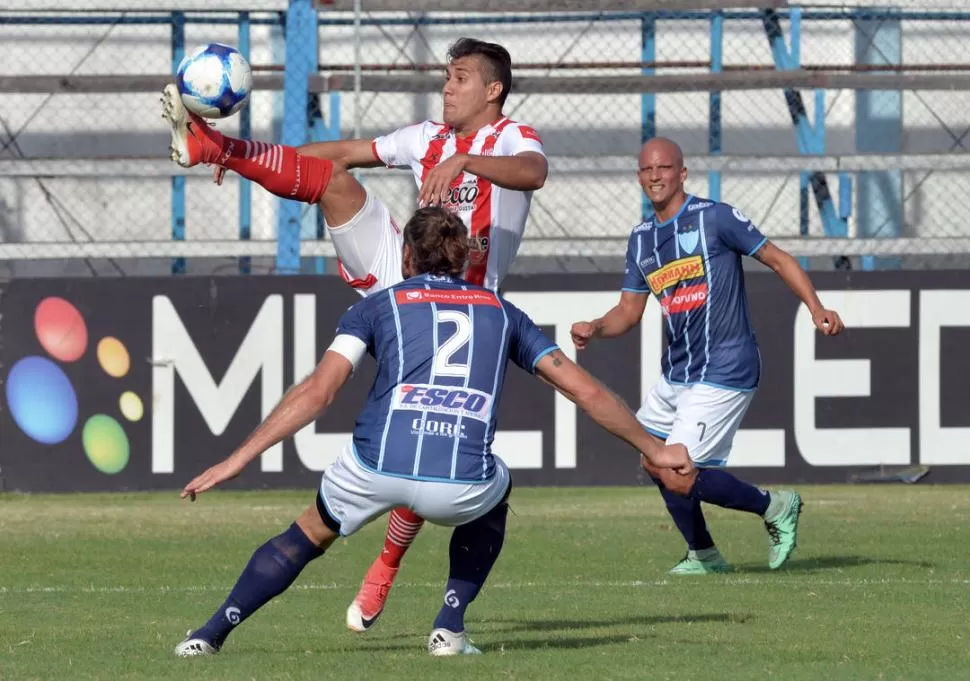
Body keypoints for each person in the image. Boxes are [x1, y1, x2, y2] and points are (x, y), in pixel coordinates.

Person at [173, 207, 693, 658]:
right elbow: (588, 392)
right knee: (498, 490)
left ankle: (210, 634)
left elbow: (318, 392)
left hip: (374, 467)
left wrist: (237, 459)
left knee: (306, 535)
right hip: (460, 486)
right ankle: (449, 626)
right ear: (464, 259)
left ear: (406, 258)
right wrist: (654, 448)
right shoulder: (504, 313)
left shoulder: (376, 306)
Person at [162, 37, 549, 631]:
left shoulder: (513, 141)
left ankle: (387, 564)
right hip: (406, 276)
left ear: (493, 90)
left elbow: (534, 174)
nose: (448, 86)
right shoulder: (426, 138)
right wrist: (240, 157)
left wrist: (466, 163)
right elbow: (340, 153)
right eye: (447, 75)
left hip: (471, 302)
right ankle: (212, 143)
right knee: (334, 183)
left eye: (462, 77)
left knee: (431, 445)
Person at [571, 137, 845, 575]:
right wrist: (596, 327)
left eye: (663, 168)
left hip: (726, 364)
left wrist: (816, 307)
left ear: (682, 173)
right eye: (646, 170)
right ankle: (704, 554)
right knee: (651, 456)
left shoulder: (714, 218)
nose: (654, 176)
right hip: (679, 371)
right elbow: (628, 311)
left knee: (678, 470)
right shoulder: (642, 240)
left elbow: (777, 258)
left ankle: (775, 505)